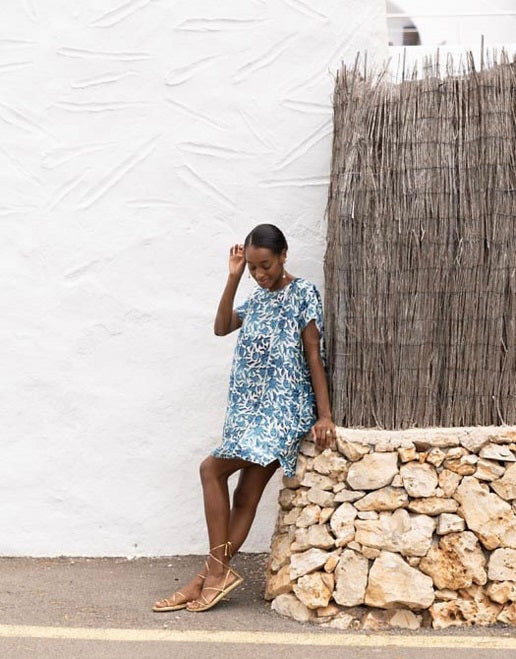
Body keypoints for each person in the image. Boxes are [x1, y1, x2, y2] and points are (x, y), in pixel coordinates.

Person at [153, 224, 335, 613]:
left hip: (282, 411)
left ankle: (213, 576)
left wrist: (324, 415)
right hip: (249, 413)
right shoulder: (255, 296)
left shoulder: (302, 293)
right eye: (252, 268)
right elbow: (221, 328)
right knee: (245, 496)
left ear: (284, 254)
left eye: (264, 266)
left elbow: (313, 353)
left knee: (210, 470)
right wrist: (233, 278)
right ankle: (207, 578)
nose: (260, 274)